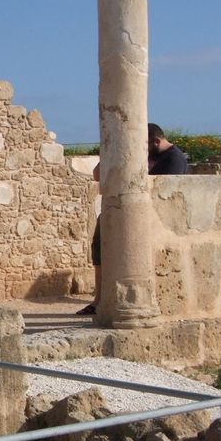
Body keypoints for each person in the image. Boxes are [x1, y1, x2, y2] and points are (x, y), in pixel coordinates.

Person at [76, 125, 188, 315]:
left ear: (155, 141)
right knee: (100, 251)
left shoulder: (174, 159)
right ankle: (99, 300)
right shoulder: (140, 154)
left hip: (144, 217)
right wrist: (111, 149)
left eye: (144, 144)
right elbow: (97, 175)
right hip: (116, 210)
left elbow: (162, 192)